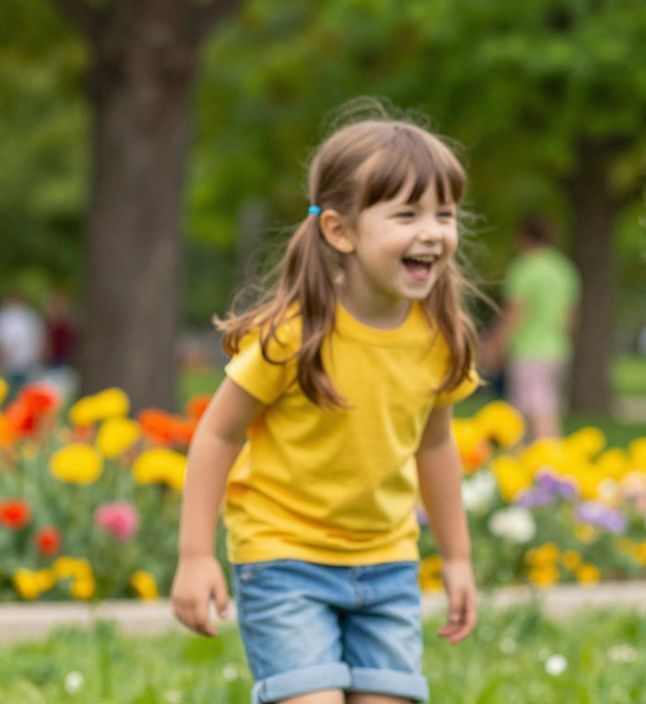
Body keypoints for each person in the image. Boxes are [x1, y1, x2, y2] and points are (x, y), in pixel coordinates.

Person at [171, 116, 482, 704]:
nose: (434, 232)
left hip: (387, 567)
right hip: (284, 560)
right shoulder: (294, 335)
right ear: (340, 231)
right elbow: (216, 436)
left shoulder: (440, 338)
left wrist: (458, 558)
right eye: (407, 214)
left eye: (445, 214)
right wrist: (194, 556)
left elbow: (435, 446)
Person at [486, 215, 580, 441]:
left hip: (529, 350)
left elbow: (515, 313)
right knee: (528, 411)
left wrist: (495, 344)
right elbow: (571, 318)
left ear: (525, 238)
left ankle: (551, 466)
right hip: (557, 349)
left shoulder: (525, 268)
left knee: (538, 413)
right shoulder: (563, 269)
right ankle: (526, 467)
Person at [0, 293, 47, 393]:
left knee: (25, 390)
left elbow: (38, 338)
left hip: (28, 362)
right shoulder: (5, 317)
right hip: (10, 363)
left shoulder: (31, 317)